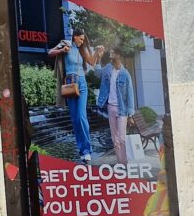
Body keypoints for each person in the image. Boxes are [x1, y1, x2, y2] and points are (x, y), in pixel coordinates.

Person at [48, 28, 100, 160]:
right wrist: (61, 50)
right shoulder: (66, 44)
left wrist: (97, 53)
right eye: (80, 39)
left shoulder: (82, 50)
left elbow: (92, 63)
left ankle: (87, 150)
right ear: (74, 37)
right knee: (75, 119)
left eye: (83, 40)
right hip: (69, 84)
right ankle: (82, 150)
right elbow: (50, 52)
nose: (82, 42)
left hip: (81, 84)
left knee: (82, 117)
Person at [97, 50, 136, 162]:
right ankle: (120, 162)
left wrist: (131, 115)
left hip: (122, 109)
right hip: (110, 107)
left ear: (118, 56)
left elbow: (130, 95)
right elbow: (97, 72)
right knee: (115, 139)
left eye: (113, 53)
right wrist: (98, 57)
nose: (111, 55)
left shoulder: (125, 74)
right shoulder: (108, 69)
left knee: (122, 138)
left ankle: (125, 163)